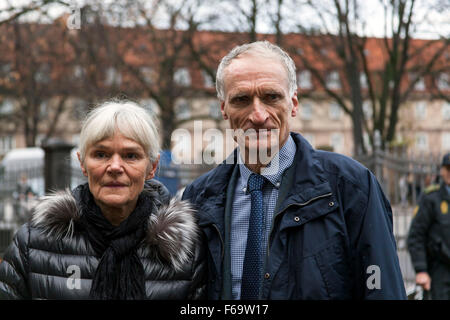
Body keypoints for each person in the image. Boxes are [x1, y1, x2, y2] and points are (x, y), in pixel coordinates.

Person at [182, 41, 406, 300]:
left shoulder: (350, 187)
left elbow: (382, 289)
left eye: (271, 97)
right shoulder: (198, 198)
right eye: (242, 99)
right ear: (224, 109)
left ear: (294, 103)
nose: (258, 114)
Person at [0, 100, 206, 299]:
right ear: (82, 163)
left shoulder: (185, 251)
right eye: (101, 154)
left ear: (152, 167)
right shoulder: (35, 241)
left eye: (131, 156)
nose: (115, 167)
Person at [407, 153, 450, 300]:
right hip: (439, 271)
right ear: (442, 171)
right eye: (448, 168)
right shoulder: (431, 198)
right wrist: (421, 270)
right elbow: (416, 236)